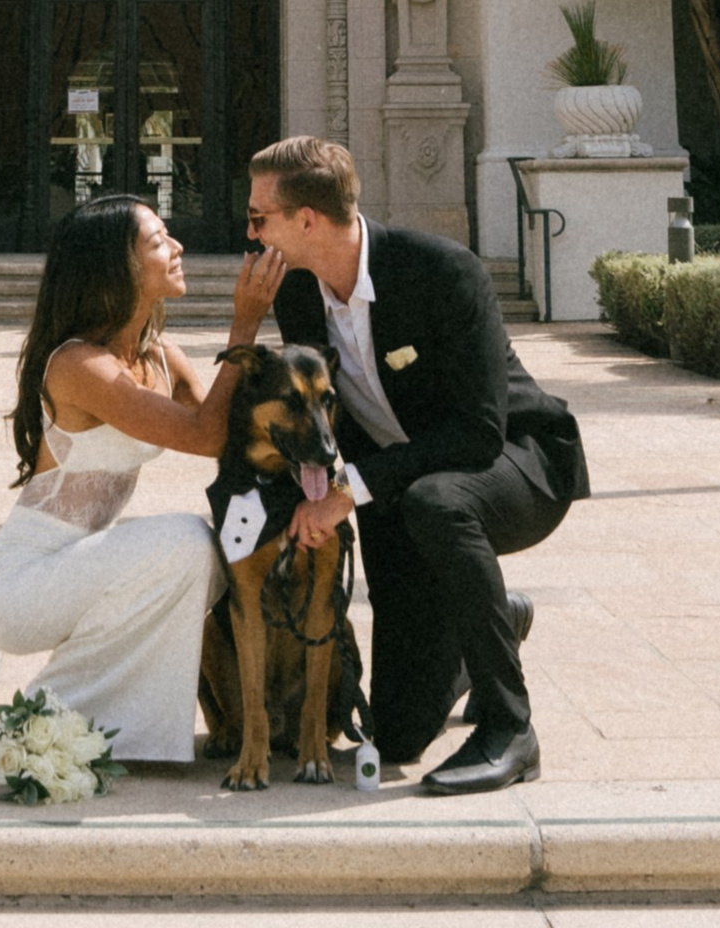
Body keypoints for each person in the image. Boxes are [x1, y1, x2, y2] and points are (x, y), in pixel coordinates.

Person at [250, 133, 588, 794]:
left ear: (308, 220)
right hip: (398, 489)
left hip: (519, 462)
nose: (250, 229)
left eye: (260, 216)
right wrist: (313, 497)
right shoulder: (297, 296)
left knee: (440, 500)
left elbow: (478, 432)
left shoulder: (442, 270)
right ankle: (488, 619)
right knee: (399, 733)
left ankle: (512, 729)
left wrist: (349, 490)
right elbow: (312, 425)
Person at [0, 194, 285, 766]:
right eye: (159, 240)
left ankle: (118, 729)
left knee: (212, 558)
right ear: (117, 266)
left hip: (84, 566)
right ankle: (51, 717)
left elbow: (231, 427)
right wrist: (245, 322)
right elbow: (204, 435)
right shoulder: (79, 366)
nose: (178, 247)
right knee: (187, 541)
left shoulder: (161, 354)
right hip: (21, 584)